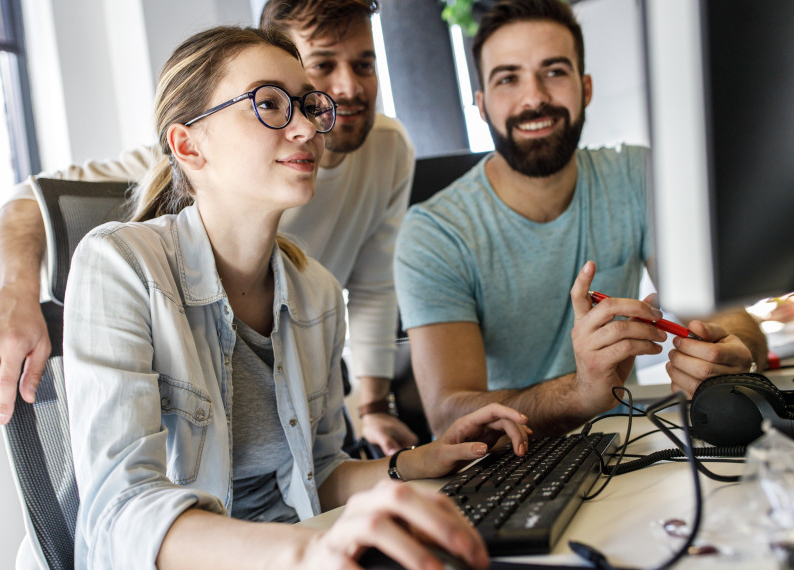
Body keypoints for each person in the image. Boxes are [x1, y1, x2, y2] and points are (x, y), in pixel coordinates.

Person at [64, 25, 530, 569]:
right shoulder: (121, 266)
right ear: (188, 145)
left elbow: (322, 473)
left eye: (309, 106)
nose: (308, 127)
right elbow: (122, 513)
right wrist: (307, 551)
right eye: (269, 104)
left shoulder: (319, 294)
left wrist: (418, 460)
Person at [0, 0, 418, 455]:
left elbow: (374, 288)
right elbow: (30, 199)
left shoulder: (320, 281)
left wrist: (375, 407)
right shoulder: (169, 188)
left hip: (293, 371)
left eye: (364, 64)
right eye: (321, 65)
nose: (349, 88)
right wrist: (10, 288)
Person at [393, 0, 768, 438]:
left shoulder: (637, 176)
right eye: (508, 78)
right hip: (511, 466)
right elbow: (447, 415)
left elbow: (727, 314)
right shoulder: (433, 234)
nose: (533, 98)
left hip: (629, 443)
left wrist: (736, 351)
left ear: (585, 88)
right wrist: (580, 392)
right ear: (482, 104)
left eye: (554, 71)